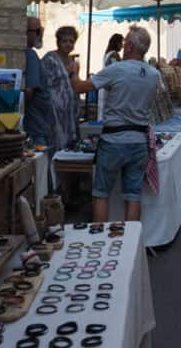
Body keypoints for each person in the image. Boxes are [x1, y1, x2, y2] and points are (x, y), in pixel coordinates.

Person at [74, 26, 159, 222]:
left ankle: (100, 239)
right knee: (133, 195)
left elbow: (80, 87)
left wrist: (74, 72)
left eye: (125, 42)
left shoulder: (117, 69)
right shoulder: (154, 75)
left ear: (129, 46)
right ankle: (131, 243)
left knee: (101, 193)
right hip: (139, 140)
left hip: (113, 139)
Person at [40, 26, 81, 153]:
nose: (68, 44)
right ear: (58, 42)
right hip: (54, 113)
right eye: (65, 41)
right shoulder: (50, 59)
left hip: (69, 114)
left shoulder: (72, 61)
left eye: (71, 41)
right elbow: (45, 84)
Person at [22, 17, 53, 146]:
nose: (40, 35)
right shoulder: (30, 55)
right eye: (38, 31)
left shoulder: (30, 55)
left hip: (38, 127)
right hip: (35, 130)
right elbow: (29, 92)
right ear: (27, 33)